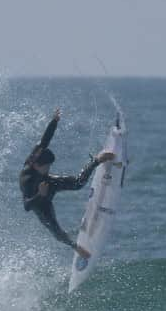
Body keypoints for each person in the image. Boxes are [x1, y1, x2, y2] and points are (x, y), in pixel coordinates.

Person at [19, 107, 113, 256]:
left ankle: (96, 160)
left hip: (47, 185)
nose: (49, 169)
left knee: (78, 184)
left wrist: (54, 121)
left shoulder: (37, 153)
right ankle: (74, 246)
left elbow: (45, 140)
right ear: (36, 166)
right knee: (55, 230)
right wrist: (39, 195)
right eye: (46, 167)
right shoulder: (27, 180)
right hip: (38, 201)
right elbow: (26, 206)